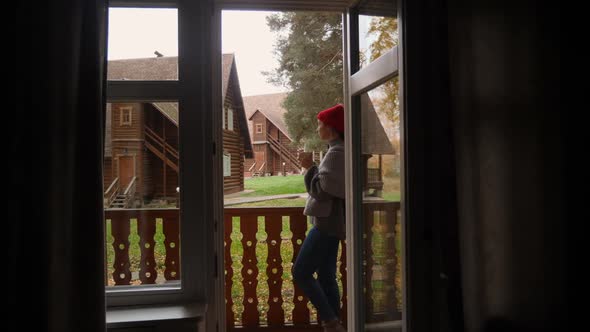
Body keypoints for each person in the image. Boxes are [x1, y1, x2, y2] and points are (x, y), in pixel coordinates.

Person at [293, 104, 346, 332]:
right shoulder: (339, 149)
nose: (317, 128)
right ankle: (335, 324)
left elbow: (322, 191)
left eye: (320, 124)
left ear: (331, 128)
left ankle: (331, 321)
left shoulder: (336, 153)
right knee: (326, 275)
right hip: (332, 223)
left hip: (326, 224)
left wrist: (309, 167)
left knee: (301, 272)